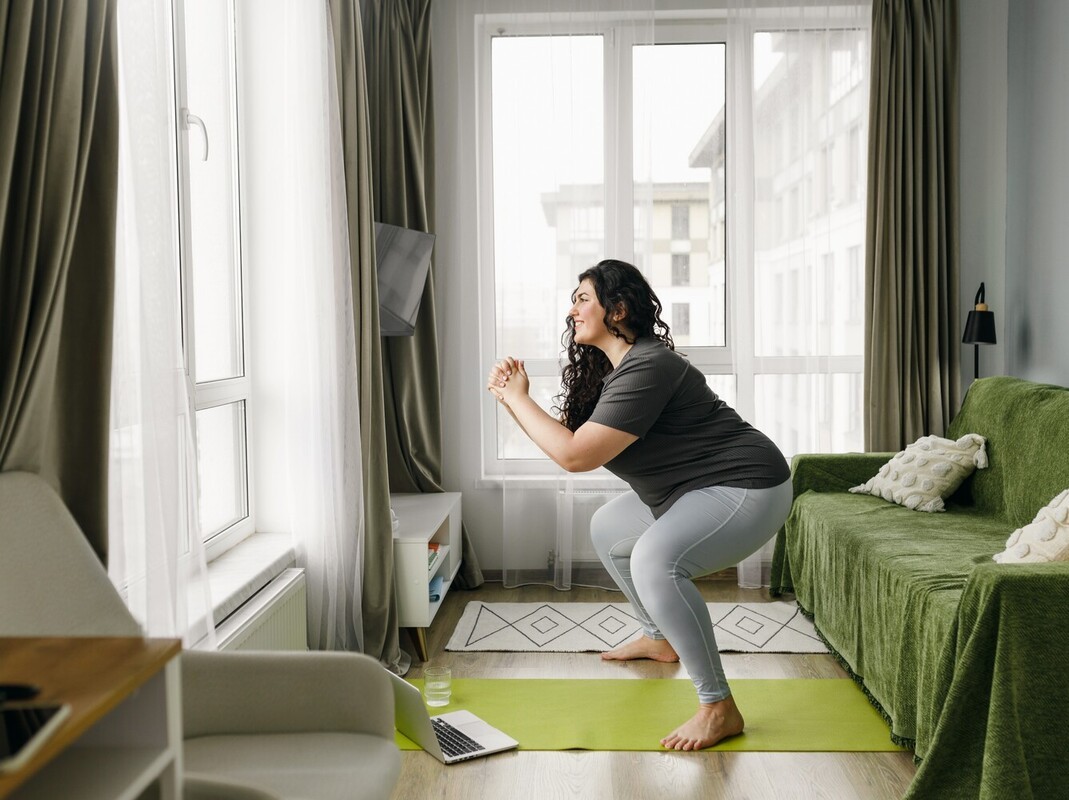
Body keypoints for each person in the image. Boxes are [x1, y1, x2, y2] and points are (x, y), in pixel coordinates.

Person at [486, 258, 792, 751]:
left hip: (748, 486)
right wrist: (512, 397)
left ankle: (719, 707)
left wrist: (516, 397)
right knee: (610, 527)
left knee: (655, 560)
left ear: (618, 309)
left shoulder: (650, 365)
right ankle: (659, 638)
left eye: (583, 298)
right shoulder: (616, 372)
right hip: (690, 491)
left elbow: (573, 456)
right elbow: (570, 440)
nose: (572, 310)